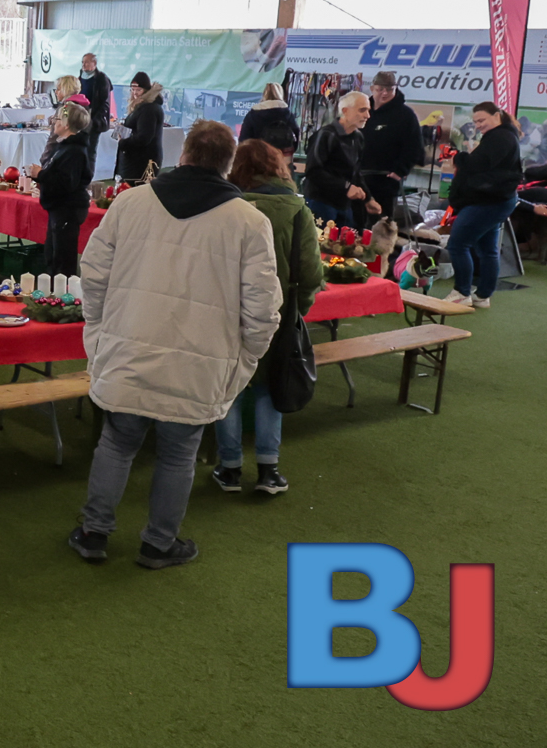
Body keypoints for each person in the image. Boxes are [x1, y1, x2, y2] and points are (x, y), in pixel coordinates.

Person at [69, 120, 280, 569]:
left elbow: (93, 274)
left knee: (117, 442)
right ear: (229, 164)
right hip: (200, 363)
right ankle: (159, 543)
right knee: (178, 452)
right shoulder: (249, 223)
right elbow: (262, 308)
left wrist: (99, 330)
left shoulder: (130, 204)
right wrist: (246, 357)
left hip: (128, 347)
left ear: (183, 155)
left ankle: (93, 532)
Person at [213, 139, 324, 497]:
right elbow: (310, 272)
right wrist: (297, 308)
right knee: (269, 387)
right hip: (276, 311)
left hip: (228, 309)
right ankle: (268, 469)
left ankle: (229, 469)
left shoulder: (223, 207)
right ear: (278, 167)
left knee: (231, 386)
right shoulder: (297, 210)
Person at [444, 102, 524, 308]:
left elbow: (475, 166)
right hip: (497, 200)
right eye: (475, 121)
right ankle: (483, 295)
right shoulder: (505, 136)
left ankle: (462, 291)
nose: (478, 125)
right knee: (487, 249)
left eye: (481, 120)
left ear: (497, 116)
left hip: (487, 201)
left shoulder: (500, 138)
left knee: (458, 244)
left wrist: (459, 157)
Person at [28, 101, 93, 278]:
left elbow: (66, 183)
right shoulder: (64, 146)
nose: (54, 121)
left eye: (57, 118)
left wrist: (41, 174)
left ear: (65, 125)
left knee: (63, 259)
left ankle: (64, 295)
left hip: (68, 209)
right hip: (60, 209)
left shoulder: (74, 151)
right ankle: (55, 293)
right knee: (53, 254)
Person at [359, 72, 424, 225]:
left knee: (381, 227)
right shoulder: (362, 110)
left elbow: (415, 147)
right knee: (353, 227)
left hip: (385, 183)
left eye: (390, 89)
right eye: (380, 89)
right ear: (372, 88)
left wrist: (401, 170)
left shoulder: (406, 115)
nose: (385, 93)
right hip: (358, 180)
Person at [304, 91, 376, 226]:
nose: (367, 115)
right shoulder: (326, 135)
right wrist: (346, 187)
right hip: (321, 202)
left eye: (368, 110)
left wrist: (368, 198)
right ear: (345, 111)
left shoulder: (358, 137)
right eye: (362, 110)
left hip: (344, 205)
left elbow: (356, 172)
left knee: (345, 246)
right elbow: (313, 171)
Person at [114, 72, 164, 182]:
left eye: (138, 90)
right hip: (136, 158)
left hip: (141, 161)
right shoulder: (142, 107)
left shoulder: (148, 109)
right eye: (133, 90)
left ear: (146, 90)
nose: (135, 93)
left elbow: (144, 137)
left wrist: (123, 142)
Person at [238, 81, 299, 155]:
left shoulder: (253, 115)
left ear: (264, 94)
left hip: (258, 157)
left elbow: (244, 140)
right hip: (282, 157)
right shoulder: (288, 115)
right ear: (281, 94)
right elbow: (295, 137)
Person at [79, 53, 113, 163]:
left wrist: (94, 120)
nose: (84, 65)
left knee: (90, 151)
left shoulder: (102, 79)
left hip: (93, 121)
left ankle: (88, 176)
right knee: (79, 150)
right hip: (79, 120)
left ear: (95, 63)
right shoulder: (80, 78)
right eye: (83, 62)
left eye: (87, 62)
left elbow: (105, 103)